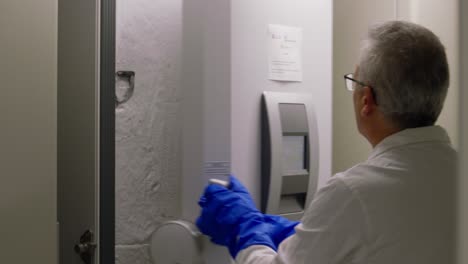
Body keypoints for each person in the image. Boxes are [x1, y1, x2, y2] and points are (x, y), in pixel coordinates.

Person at [196, 20, 457, 264]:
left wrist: (245, 231)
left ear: (367, 100)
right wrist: (306, 232)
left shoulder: (354, 194)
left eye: (353, 82)